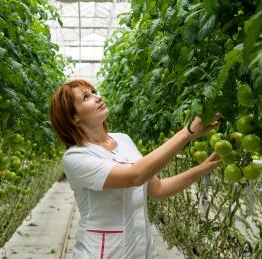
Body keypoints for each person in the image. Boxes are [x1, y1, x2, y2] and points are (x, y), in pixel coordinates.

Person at [49, 79, 221, 259]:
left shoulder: (123, 140)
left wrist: (202, 168)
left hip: (142, 250)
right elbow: (135, 176)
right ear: (73, 117)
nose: (98, 97)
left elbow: (158, 189)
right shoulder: (76, 158)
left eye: (94, 91)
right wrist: (186, 134)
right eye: (86, 97)